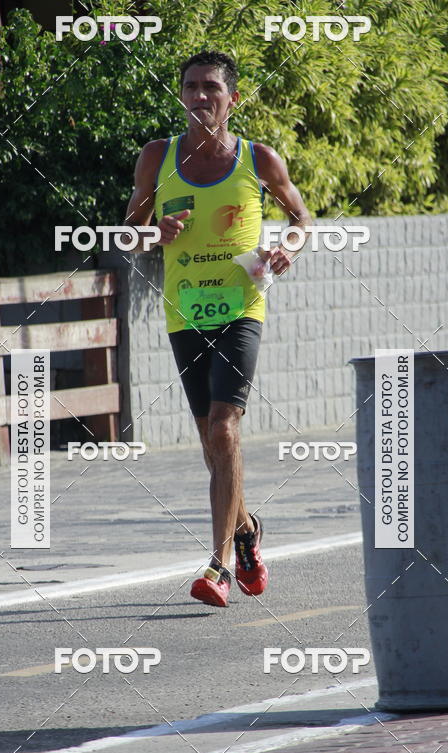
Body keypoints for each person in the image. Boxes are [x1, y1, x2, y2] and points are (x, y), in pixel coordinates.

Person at [124, 50, 312, 608]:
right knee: (213, 442)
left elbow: (301, 220)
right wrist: (155, 231)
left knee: (226, 429)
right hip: (184, 312)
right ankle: (248, 530)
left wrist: (287, 249)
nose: (200, 96)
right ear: (180, 95)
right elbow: (127, 233)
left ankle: (219, 565)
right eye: (191, 87)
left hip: (241, 310)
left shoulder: (259, 159)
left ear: (232, 97)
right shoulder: (157, 157)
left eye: (211, 87)